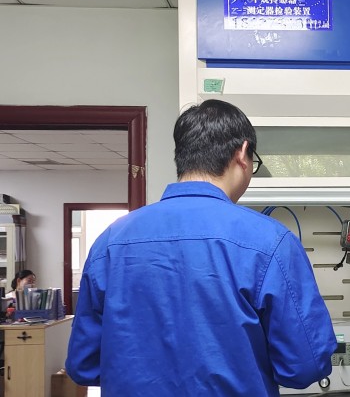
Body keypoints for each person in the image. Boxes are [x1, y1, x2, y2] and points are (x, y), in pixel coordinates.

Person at [66, 99, 336, 396]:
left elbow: (84, 366)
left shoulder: (110, 241)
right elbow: (304, 367)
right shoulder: (271, 242)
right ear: (243, 153)